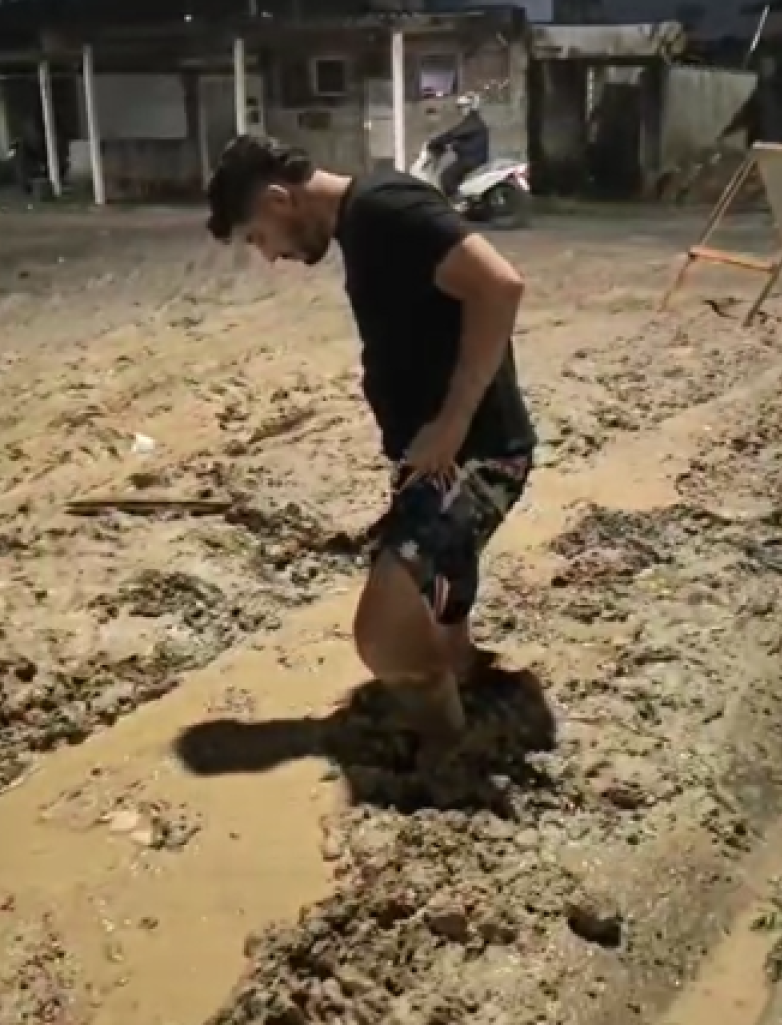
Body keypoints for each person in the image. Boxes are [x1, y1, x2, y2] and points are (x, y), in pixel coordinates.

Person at [204, 134, 536, 761]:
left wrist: (453, 423)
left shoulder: (386, 211)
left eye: (256, 237)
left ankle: (450, 756)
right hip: (440, 458)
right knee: (435, 597)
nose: (267, 255)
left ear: (279, 199)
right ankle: (470, 681)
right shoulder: (366, 223)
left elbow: (500, 286)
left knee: (382, 636)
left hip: (478, 454)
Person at [427, 93, 490, 201]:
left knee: (446, 176)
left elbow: (454, 133)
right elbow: (457, 135)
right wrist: (451, 144)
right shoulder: (472, 121)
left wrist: (436, 142)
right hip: (470, 158)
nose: (462, 110)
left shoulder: (473, 122)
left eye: (464, 106)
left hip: (471, 160)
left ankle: (457, 201)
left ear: (472, 107)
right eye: (460, 107)